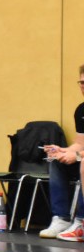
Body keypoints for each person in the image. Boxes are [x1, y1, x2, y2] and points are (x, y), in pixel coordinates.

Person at [42, 64, 84, 242]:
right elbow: (80, 143)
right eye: (81, 82)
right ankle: (61, 218)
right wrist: (62, 151)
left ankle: (81, 222)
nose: (83, 86)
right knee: (55, 160)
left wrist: (78, 156)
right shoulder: (81, 110)